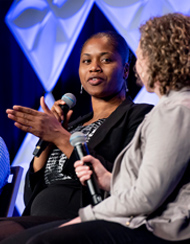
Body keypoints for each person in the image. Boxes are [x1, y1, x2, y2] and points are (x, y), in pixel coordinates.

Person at [2, 12, 189, 244]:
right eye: (86, 61)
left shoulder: (142, 115)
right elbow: (32, 194)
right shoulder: (73, 123)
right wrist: (48, 139)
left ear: (127, 70)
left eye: (106, 59)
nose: (94, 68)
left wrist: (60, 137)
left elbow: (132, 182)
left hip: (92, 214)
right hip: (41, 214)